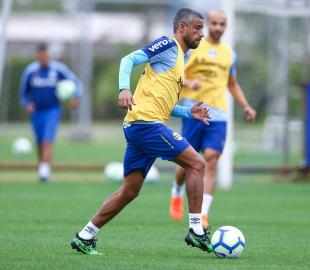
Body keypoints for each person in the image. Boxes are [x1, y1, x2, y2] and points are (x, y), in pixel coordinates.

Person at [71, 8, 213, 255]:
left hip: (141, 125)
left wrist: (190, 113)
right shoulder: (168, 44)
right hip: (146, 125)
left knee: (130, 191)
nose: (202, 33)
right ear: (181, 28)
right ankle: (196, 230)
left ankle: (85, 236)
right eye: (197, 28)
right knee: (197, 164)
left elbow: (164, 106)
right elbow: (128, 60)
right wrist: (123, 89)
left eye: (203, 28)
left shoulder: (180, 59)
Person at [169, 10, 256, 228]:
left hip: (219, 115)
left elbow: (232, 83)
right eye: (214, 23)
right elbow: (176, 76)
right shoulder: (193, 47)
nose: (218, 28)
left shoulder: (229, 53)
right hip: (194, 111)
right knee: (187, 161)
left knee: (212, 159)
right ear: (208, 24)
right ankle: (176, 190)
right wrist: (190, 84)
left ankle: (204, 213)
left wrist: (246, 106)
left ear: (226, 26)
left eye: (222, 24)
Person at [19, 44, 81, 182]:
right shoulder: (30, 71)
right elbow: (23, 93)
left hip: (52, 109)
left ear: (49, 55)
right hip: (36, 111)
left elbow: (76, 82)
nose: (43, 59)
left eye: (45, 56)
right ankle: (43, 167)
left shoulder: (58, 69)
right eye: (40, 56)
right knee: (39, 140)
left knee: (47, 138)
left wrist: (76, 96)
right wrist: (27, 104)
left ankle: (44, 171)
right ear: (37, 56)